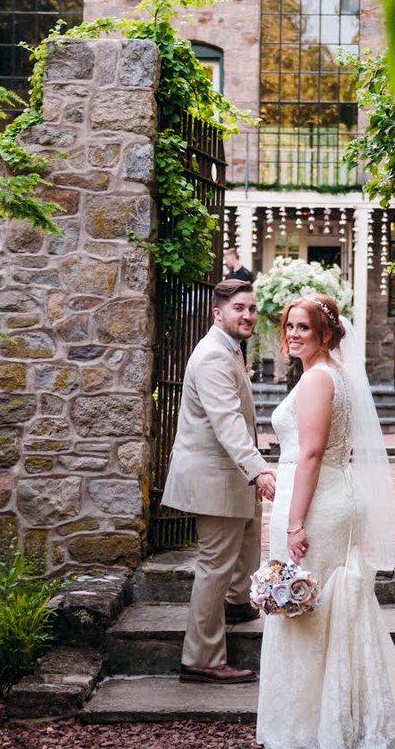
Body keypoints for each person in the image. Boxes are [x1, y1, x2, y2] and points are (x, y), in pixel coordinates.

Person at [256, 293, 395, 749]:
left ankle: (311, 726)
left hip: (316, 503)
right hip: (329, 492)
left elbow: (313, 453)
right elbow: (312, 450)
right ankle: (340, 716)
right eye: (289, 326)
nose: (293, 335)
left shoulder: (318, 380)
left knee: (310, 608)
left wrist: (295, 524)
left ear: (326, 333)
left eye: (304, 328)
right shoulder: (335, 374)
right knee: (327, 605)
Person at [161, 278, 276, 685]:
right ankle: (202, 657)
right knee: (213, 565)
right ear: (218, 313)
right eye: (238, 309)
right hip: (215, 478)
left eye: (251, 308)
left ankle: (237, 603)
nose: (247, 315)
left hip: (229, 475)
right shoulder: (213, 356)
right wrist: (258, 468)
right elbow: (226, 422)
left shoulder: (229, 349)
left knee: (246, 541)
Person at [222, 248, 255, 370]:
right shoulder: (229, 275)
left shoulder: (246, 274)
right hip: (231, 309)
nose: (226, 261)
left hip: (242, 309)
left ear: (233, 257)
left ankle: (243, 367)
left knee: (242, 340)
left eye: (226, 258)